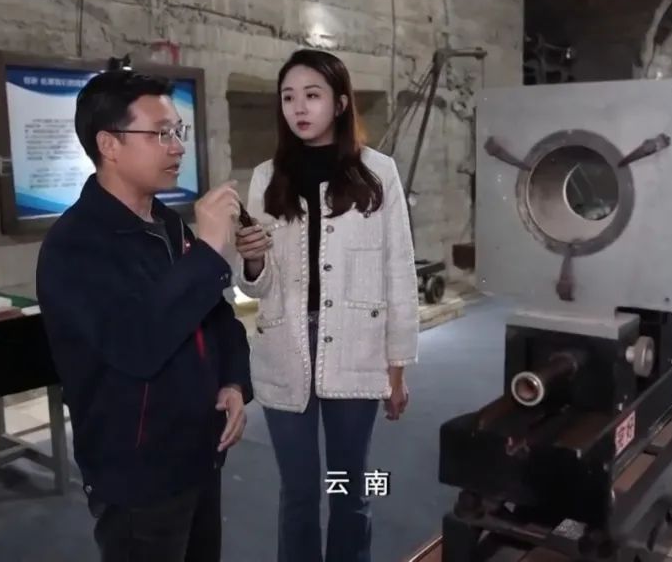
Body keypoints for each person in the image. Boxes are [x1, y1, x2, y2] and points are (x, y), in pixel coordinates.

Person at [35, 70, 253, 562]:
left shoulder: (168, 224)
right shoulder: (75, 246)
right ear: (109, 144)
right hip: (138, 471)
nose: (178, 147)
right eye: (160, 133)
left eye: (178, 131)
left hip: (200, 449)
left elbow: (216, 316)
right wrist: (209, 252)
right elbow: (136, 345)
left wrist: (233, 381)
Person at [234, 48, 420, 562]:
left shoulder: (378, 173)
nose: (299, 107)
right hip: (285, 347)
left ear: (339, 103)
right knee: (297, 492)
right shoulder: (267, 177)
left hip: (356, 348)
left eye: (312, 95)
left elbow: (399, 272)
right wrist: (252, 261)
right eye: (288, 97)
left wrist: (397, 368)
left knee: (350, 486)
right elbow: (256, 287)